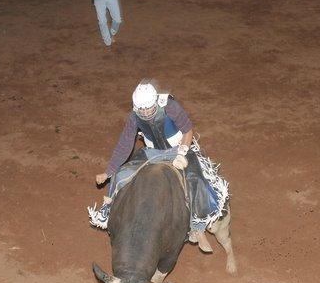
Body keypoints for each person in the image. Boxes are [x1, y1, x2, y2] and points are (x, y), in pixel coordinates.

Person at [90, 81, 229, 253]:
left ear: (155, 102)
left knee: (195, 178)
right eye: (142, 110)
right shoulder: (134, 116)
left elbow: (188, 130)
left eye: (149, 108)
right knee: (121, 175)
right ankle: (108, 208)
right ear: (136, 108)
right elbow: (125, 144)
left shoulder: (170, 106)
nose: (146, 113)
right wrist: (108, 171)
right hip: (152, 152)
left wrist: (181, 153)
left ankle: (198, 226)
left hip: (179, 149)